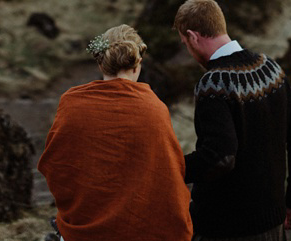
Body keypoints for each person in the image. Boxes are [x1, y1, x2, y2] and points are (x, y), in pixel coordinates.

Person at [173, 0, 291, 240]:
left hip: (228, 228)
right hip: (273, 223)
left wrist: (169, 167)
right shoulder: (271, 68)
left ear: (194, 36)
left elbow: (220, 157)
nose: (189, 50)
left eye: (186, 42)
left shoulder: (213, 84)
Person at [38, 24, 193, 241]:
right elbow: (166, 175)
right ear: (137, 64)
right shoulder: (154, 108)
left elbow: (57, 167)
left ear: (101, 64)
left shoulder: (71, 103)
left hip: (83, 230)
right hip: (140, 231)